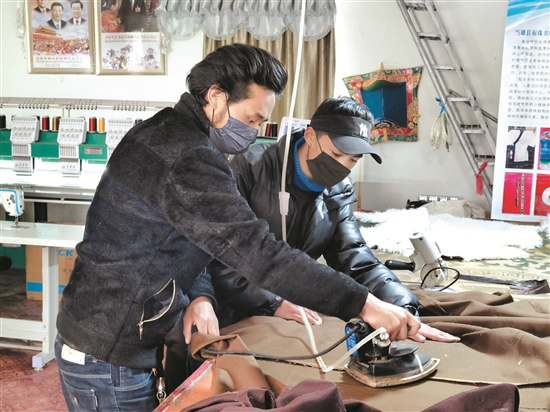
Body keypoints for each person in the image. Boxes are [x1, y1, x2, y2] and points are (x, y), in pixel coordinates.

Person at [55, 44, 422, 411]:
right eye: (251, 119)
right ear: (216, 97)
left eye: (261, 123)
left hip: (106, 332)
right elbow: (257, 253)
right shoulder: (192, 157)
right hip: (108, 351)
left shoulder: (164, 131)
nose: (255, 132)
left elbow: (187, 237)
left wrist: (199, 295)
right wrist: (362, 303)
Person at [163, 96, 460, 393]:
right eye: (336, 153)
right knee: (195, 352)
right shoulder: (249, 169)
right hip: (226, 299)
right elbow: (218, 254)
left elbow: (354, 257)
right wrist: (273, 302)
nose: (342, 166)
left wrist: (399, 306)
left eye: (353, 160)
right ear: (310, 135)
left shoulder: (338, 191)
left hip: (291, 301)